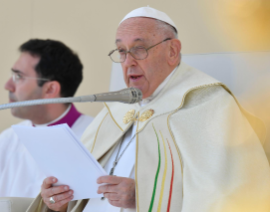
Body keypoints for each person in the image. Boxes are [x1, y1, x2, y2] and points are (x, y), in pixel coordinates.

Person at [34, 7, 270, 212]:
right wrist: (60, 201)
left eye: (139, 49)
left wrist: (143, 198)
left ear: (172, 51)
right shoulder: (115, 111)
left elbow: (226, 195)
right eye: (122, 52)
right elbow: (82, 192)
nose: (128, 62)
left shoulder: (209, 104)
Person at [0, 39, 93, 212]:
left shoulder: (94, 138)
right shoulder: (6, 141)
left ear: (50, 89)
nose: (8, 85)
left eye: (19, 76)